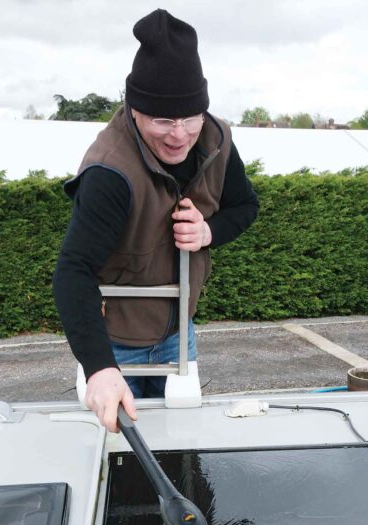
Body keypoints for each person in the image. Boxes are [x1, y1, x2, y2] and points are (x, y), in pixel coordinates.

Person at [53, 9, 258, 432]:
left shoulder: (217, 138)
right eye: (163, 120)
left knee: (179, 447)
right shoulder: (109, 172)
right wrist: (99, 369)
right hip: (116, 344)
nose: (179, 135)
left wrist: (208, 232)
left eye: (190, 117)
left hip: (178, 333)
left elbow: (245, 206)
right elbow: (73, 272)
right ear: (136, 110)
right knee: (117, 458)